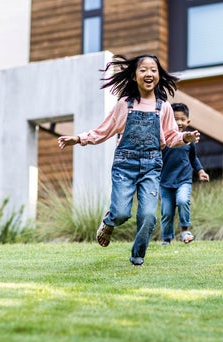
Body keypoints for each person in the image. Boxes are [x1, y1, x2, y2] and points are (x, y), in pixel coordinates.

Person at [58, 54, 199, 266]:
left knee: (149, 215)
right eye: (143, 70)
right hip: (125, 166)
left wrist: (185, 137)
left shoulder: (164, 107)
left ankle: (137, 257)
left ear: (159, 75)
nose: (149, 74)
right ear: (134, 76)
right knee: (122, 212)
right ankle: (110, 220)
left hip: (152, 167)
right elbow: (103, 131)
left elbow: (171, 138)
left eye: (153, 70)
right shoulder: (125, 104)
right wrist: (78, 138)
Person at [159, 102, 210, 246]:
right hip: (165, 182)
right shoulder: (164, 139)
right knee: (167, 212)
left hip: (183, 180)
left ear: (188, 121)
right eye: (175, 119)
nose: (179, 122)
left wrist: (201, 171)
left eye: (182, 119)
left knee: (182, 201)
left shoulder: (189, 140)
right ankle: (166, 238)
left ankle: (184, 231)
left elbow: (193, 158)